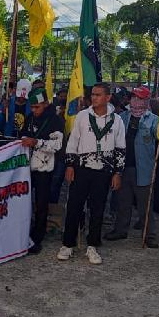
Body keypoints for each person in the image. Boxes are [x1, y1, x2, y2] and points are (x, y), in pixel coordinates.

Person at [58, 83, 126, 265]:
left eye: (98, 95)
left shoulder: (117, 120)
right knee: (74, 206)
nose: (93, 98)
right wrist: (70, 165)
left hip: (104, 171)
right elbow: (72, 142)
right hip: (81, 169)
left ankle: (92, 245)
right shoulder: (82, 116)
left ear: (108, 97)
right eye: (93, 95)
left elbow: (120, 148)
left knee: (97, 209)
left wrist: (118, 172)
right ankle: (68, 244)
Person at [105, 86, 159, 248]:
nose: (136, 101)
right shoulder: (121, 117)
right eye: (134, 97)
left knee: (145, 204)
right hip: (122, 167)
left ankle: (149, 234)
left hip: (143, 168)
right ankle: (120, 230)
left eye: (140, 98)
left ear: (147, 101)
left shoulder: (153, 120)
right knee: (123, 201)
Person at [19, 87, 64, 255]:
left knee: (42, 204)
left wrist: (36, 142)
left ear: (45, 103)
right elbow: (23, 136)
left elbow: (58, 145)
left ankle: (38, 237)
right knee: (24, 201)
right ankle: (23, 231)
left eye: (37, 107)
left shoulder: (56, 120)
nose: (34, 110)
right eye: (32, 107)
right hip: (26, 168)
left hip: (45, 169)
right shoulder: (30, 118)